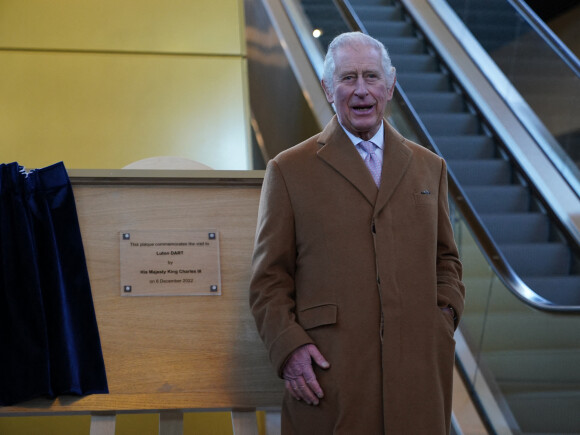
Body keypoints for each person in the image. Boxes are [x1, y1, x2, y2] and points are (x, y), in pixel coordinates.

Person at [249, 31, 465, 434]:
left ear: (391, 84)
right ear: (328, 89)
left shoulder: (429, 166)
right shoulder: (288, 170)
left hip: (417, 369)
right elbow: (268, 280)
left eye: (372, 77)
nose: (361, 90)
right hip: (330, 372)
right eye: (348, 78)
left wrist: (443, 316)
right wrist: (289, 348)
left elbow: (446, 259)